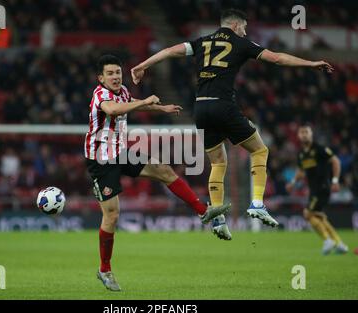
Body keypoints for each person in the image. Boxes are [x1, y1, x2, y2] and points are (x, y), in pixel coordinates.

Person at [131, 8, 334, 240]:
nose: (245, 32)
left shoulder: (202, 42)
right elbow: (277, 58)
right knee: (260, 150)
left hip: (201, 107)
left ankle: (217, 218)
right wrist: (311, 64)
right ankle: (257, 203)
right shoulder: (240, 43)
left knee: (218, 162)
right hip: (223, 105)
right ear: (236, 26)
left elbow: (168, 51)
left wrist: (141, 66)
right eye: (244, 28)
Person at [84, 55, 231, 291]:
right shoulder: (101, 95)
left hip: (121, 152)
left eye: (118, 72)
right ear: (100, 78)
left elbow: (131, 101)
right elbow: (113, 110)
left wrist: (161, 108)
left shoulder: (121, 91)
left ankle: (204, 213)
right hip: (101, 160)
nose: (115, 77)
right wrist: (144, 103)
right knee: (112, 216)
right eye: (110, 73)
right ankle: (104, 270)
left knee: (163, 169)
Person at [286, 124, 348, 255]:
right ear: (298, 136)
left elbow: (335, 161)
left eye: (306, 132)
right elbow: (302, 171)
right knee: (319, 217)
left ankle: (327, 240)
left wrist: (335, 181)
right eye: (302, 132)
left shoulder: (319, 149)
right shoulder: (302, 154)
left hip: (323, 187)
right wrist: (292, 182)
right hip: (313, 189)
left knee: (308, 213)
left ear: (311, 134)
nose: (304, 135)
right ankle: (339, 243)